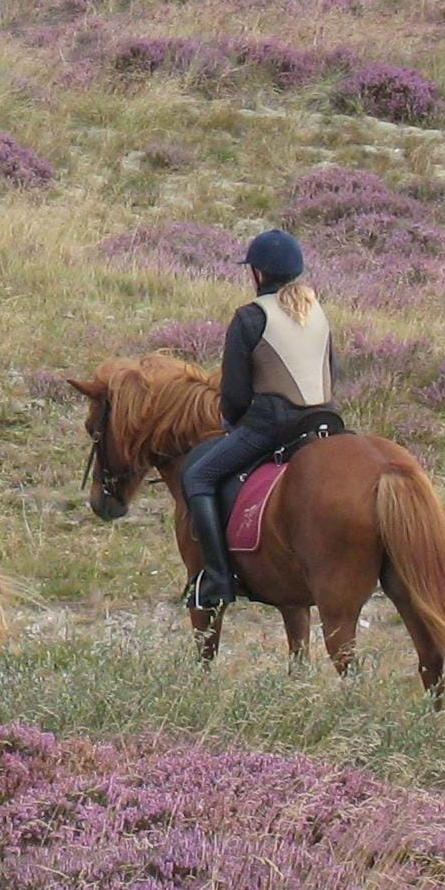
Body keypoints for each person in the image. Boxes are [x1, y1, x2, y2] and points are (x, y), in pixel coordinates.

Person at [178, 230, 333, 614]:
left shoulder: (250, 317)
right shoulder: (318, 311)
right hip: (323, 423)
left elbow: (234, 395)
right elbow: (333, 371)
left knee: (197, 475)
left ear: (258, 274)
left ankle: (216, 578)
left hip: (271, 426)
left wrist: (232, 422)